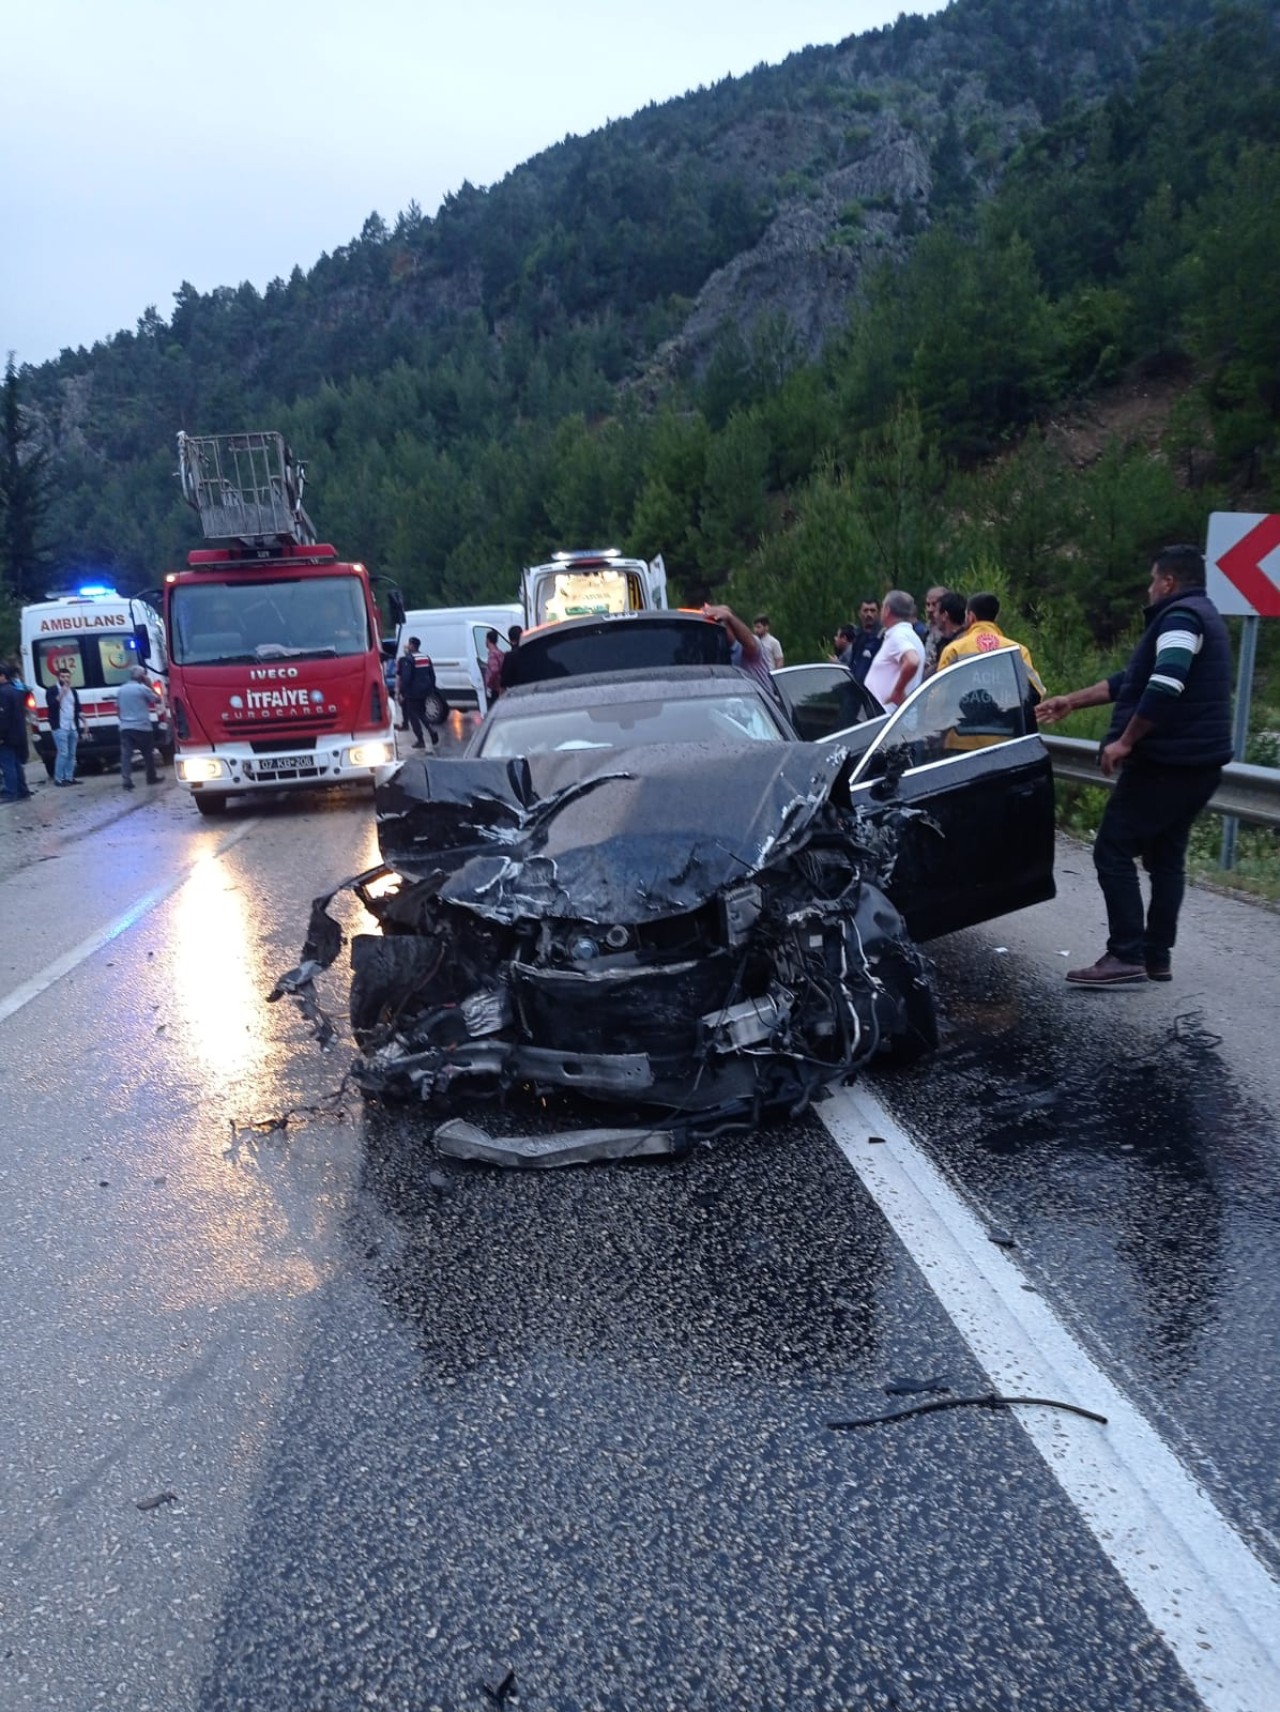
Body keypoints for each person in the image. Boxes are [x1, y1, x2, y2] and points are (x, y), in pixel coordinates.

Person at [1037, 544, 1233, 988]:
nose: (1148, 588)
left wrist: (1126, 740)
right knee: (1166, 859)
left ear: (1168, 582)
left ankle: (1126, 952)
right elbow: (1132, 680)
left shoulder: (1180, 618)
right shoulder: (1203, 615)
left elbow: (1166, 683)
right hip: (1199, 766)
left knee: (1112, 848)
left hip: (1168, 763)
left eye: (1152, 580)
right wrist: (1072, 700)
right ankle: (1155, 955)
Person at [936, 592, 1046, 698]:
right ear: (996, 618)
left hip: (962, 716)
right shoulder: (1018, 650)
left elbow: (939, 695)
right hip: (1007, 716)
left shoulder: (954, 649)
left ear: (971, 617)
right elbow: (1037, 691)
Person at [703, 603, 780, 698]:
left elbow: (751, 645)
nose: (720, 629)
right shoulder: (716, 654)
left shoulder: (750, 647)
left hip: (761, 706)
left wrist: (729, 617)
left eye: (722, 624)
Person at [864, 591, 925, 709]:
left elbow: (912, 661)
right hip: (895, 717)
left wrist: (898, 692)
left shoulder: (898, 635)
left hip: (887, 718)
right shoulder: (911, 636)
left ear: (887, 610)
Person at [116, 665, 163, 790]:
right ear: (142, 677)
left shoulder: (121, 689)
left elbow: (118, 709)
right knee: (148, 754)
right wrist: (150, 685)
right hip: (142, 727)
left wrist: (123, 721)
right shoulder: (142, 689)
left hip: (126, 727)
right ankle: (151, 777)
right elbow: (157, 700)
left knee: (126, 755)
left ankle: (126, 780)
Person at [396, 637, 440, 749]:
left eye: (409, 644)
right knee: (421, 713)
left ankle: (420, 740)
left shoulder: (409, 659)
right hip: (425, 691)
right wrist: (431, 688)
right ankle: (431, 732)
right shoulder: (425, 657)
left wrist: (402, 692)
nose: (408, 646)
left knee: (412, 716)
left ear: (412, 645)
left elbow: (406, 678)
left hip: (413, 692)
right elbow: (432, 675)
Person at [46, 667, 87, 786]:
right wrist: (62, 693)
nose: (65, 679)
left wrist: (84, 723)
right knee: (63, 752)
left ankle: (69, 777)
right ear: (58, 677)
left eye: (68, 677)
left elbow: (77, 708)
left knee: (72, 754)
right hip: (60, 726)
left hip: (72, 725)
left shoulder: (73, 691)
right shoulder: (52, 690)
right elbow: (51, 705)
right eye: (63, 677)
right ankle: (59, 778)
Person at [0, 662, 34, 802]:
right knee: (16, 763)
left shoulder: (2, 693)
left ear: (2, 677)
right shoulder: (16, 691)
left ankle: (11, 792)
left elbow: (3, 717)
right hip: (18, 733)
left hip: (6, 735)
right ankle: (22, 790)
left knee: (7, 764)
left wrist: (0, 735)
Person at [924, 592, 968, 677]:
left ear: (944, 615)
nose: (934, 615)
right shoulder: (967, 639)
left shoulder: (955, 645)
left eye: (936, 611)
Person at [849, 599, 884, 684]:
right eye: (865, 611)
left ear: (879, 613)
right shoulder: (857, 638)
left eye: (872, 611)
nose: (869, 614)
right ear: (859, 614)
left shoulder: (884, 638)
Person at [921, 585, 952, 676]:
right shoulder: (925, 631)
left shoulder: (951, 633)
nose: (930, 609)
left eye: (934, 604)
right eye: (928, 604)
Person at [499, 625, 524, 691]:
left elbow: (504, 679)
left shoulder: (509, 656)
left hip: (514, 692)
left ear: (510, 639)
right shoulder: (529, 652)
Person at [483, 629, 505, 702]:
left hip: (495, 688)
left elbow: (494, 670)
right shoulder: (500, 653)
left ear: (488, 640)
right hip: (501, 687)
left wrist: (489, 683)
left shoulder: (492, 654)